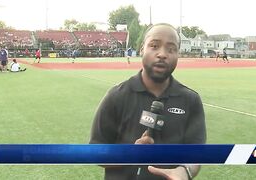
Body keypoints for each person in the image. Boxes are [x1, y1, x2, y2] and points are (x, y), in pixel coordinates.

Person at [89, 23, 207, 180]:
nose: (162, 54)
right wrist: (131, 155)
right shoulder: (117, 96)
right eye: (154, 46)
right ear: (141, 49)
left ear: (178, 54)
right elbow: (96, 152)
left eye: (171, 49)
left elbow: (196, 153)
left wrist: (185, 171)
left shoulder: (191, 100)